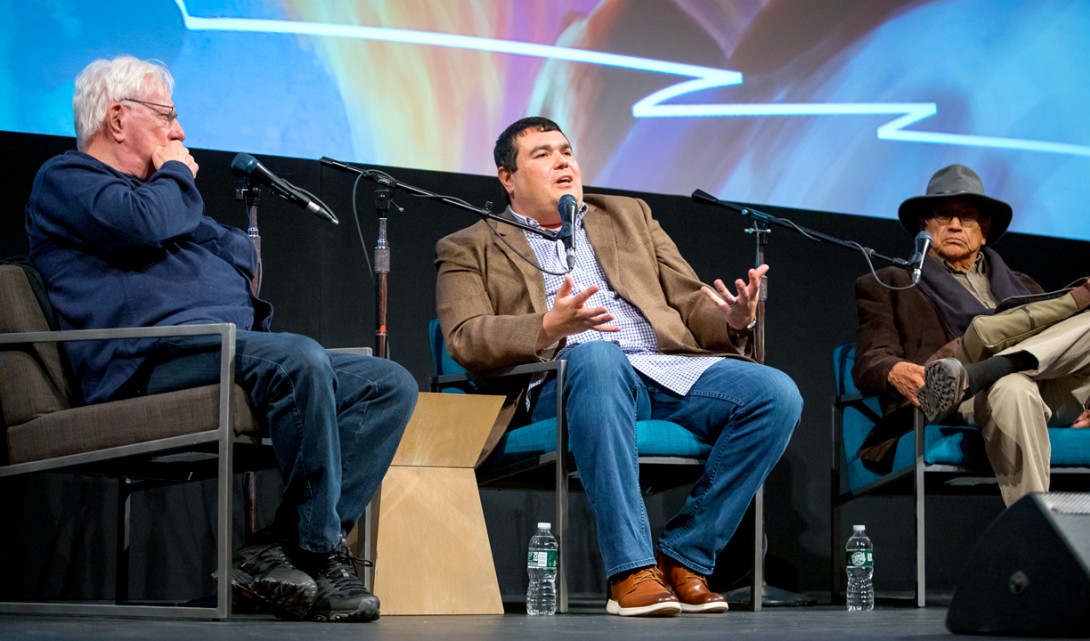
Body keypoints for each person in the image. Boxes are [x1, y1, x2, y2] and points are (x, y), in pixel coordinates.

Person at [25, 55, 418, 623]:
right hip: (142, 357)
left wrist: (173, 205)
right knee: (297, 359)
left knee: (388, 384)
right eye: (166, 116)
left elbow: (233, 249)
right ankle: (318, 552)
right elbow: (145, 225)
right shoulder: (67, 179)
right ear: (117, 119)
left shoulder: (157, 195)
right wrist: (174, 178)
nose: (179, 132)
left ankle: (277, 546)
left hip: (219, 346)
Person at [435, 116, 801, 617]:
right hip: (563, 381)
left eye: (566, 151)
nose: (562, 162)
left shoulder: (630, 215)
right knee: (597, 355)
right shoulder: (469, 244)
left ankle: (685, 556)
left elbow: (689, 301)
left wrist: (732, 319)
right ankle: (630, 569)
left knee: (775, 393)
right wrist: (547, 326)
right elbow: (464, 336)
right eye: (542, 154)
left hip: (661, 369)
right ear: (507, 178)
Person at [853, 164, 1090, 506]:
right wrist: (893, 371)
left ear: (984, 229)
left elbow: (1061, 350)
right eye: (942, 215)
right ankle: (1035, 533)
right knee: (1008, 380)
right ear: (924, 226)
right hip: (957, 396)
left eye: (967, 216)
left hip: (1039, 387)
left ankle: (990, 369)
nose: (954, 225)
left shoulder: (1024, 286)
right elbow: (870, 358)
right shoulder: (893, 282)